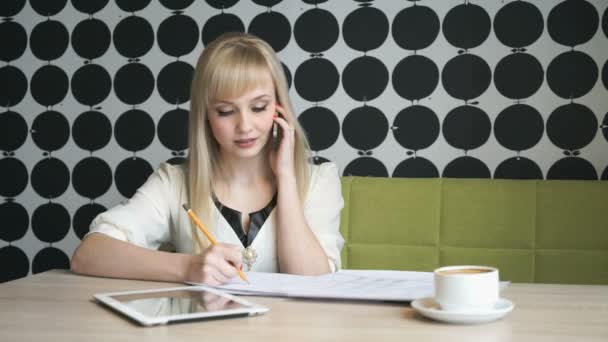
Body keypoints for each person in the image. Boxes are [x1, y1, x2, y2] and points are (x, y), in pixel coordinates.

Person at [70, 32, 345, 286]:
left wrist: (286, 177)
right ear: (206, 116)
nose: (245, 126)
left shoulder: (320, 180)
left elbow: (314, 282)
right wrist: (188, 268)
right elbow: (89, 254)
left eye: (259, 107)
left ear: (279, 107)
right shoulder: (174, 182)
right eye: (226, 111)